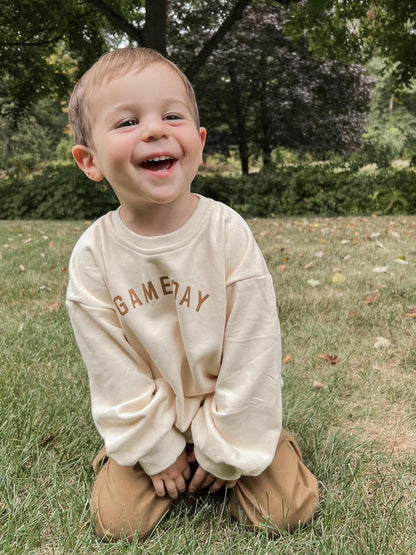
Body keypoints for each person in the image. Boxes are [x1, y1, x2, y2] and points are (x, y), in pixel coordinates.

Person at [66, 46, 318, 541]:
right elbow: (112, 369)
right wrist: (157, 450)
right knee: (116, 524)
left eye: (172, 115)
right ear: (90, 161)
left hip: (227, 409)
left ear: (198, 144)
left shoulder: (226, 233)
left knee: (285, 512)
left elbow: (253, 351)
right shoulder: (94, 255)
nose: (156, 129)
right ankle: (128, 453)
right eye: (126, 122)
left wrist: (225, 451)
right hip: (152, 416)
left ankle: (269, 444)